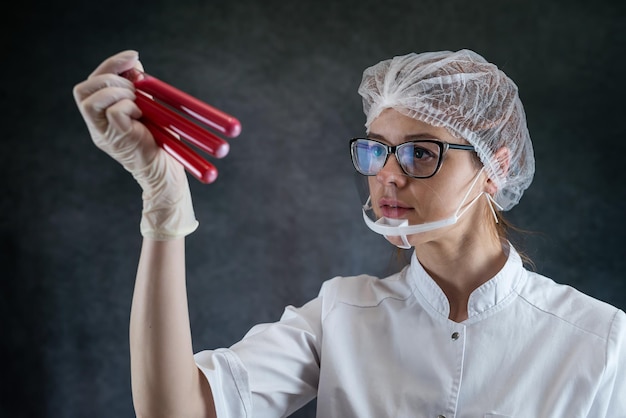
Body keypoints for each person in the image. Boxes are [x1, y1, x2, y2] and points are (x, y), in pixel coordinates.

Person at [73, 49, 625, 418]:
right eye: (376, 149)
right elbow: (176, 410)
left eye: (419, 152)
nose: (388, 173)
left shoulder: (600, 342)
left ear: (495, 168)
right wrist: (163, 207)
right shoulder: (340, 315)